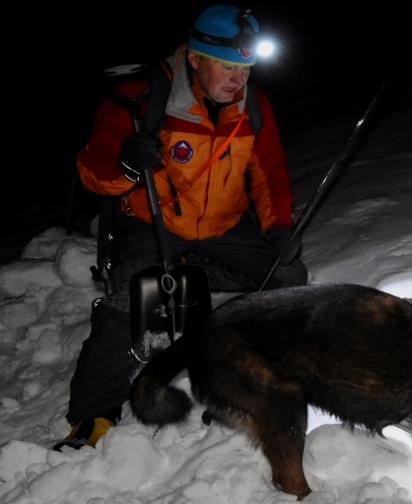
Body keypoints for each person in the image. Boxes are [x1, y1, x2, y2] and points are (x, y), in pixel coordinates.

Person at [55, 5, 306, 450]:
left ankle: (257, 383)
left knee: (287, 278)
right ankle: (92, 417)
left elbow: (269, 171)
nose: (239, 79)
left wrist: (278, 226)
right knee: (124, 302)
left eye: (246, 68)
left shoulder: (254, 105)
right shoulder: (139, 97)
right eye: (227, 66)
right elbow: (92, 170)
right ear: (194, 59)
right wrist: (127, 165)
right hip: (154, 224)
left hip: (222, 228)